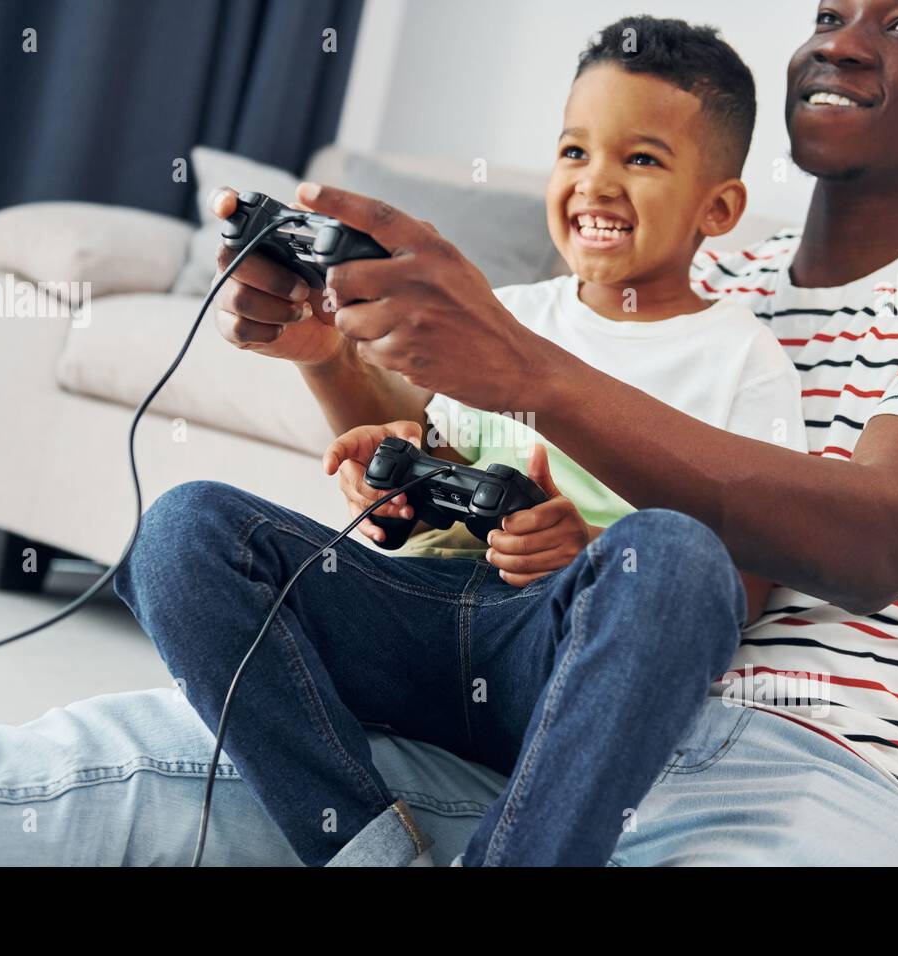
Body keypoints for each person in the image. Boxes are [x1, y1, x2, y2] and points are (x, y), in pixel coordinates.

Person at [0, 0, 898, 868]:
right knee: (39, 784)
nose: (842, 40)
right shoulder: (707, 269)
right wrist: (333, 359)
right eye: (831, 12)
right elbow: (458, 465)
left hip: (829, 776)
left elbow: (882, 535)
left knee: (664, 553)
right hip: (520, 703)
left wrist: (530, 369)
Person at [119, 17, 808, 868]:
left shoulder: (745, 356)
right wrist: (383, 450)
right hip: (420, 619)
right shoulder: (505, 314)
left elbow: (739, 585)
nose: (596, 183)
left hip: (559, 658)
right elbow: (438, 462)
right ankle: (370, 852)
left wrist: (588, 550)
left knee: (671, 553)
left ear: (720, 206)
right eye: (573, 152)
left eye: (641, 159)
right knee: (183, 529)